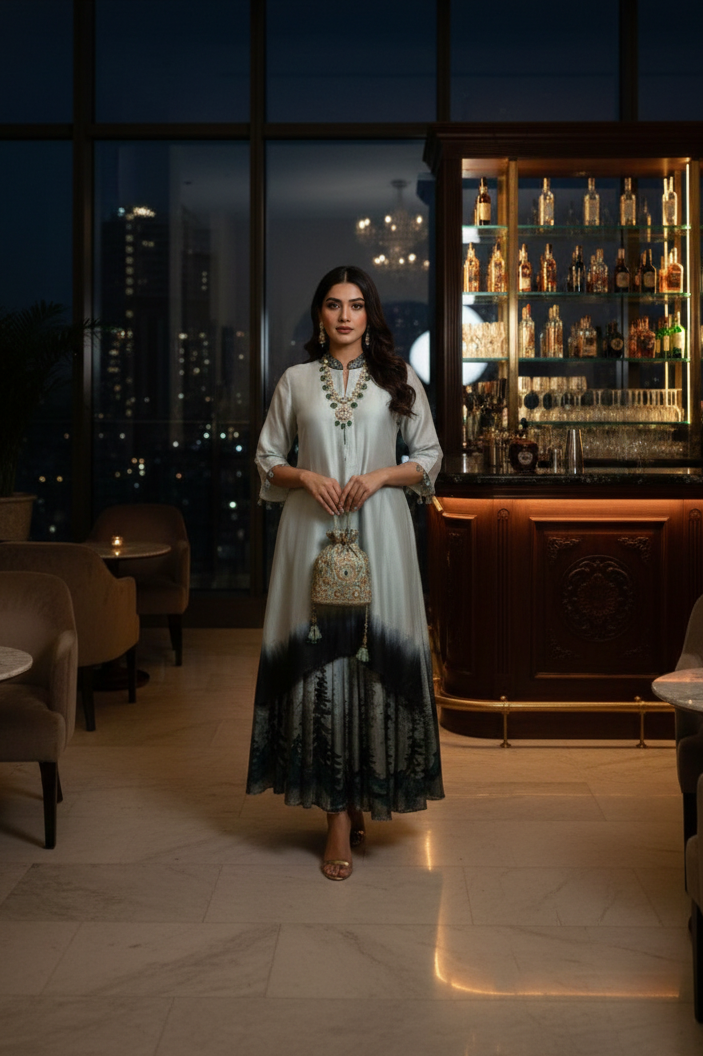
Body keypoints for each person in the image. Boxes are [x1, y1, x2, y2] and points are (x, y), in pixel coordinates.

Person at [246, 265, 444, 880]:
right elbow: (266, 458)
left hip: (380, 534)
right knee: (324, 662)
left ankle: (361, 795)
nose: (344, 316)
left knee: (371, 660)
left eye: (356, 306)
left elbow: (431, 456)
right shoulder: (296, 381)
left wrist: (382, 475)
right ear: (319, 314)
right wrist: (305, 476)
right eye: (333, 305)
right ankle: (335, 811)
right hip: (311, 533)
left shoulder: (398, 379)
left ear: (369, 314)